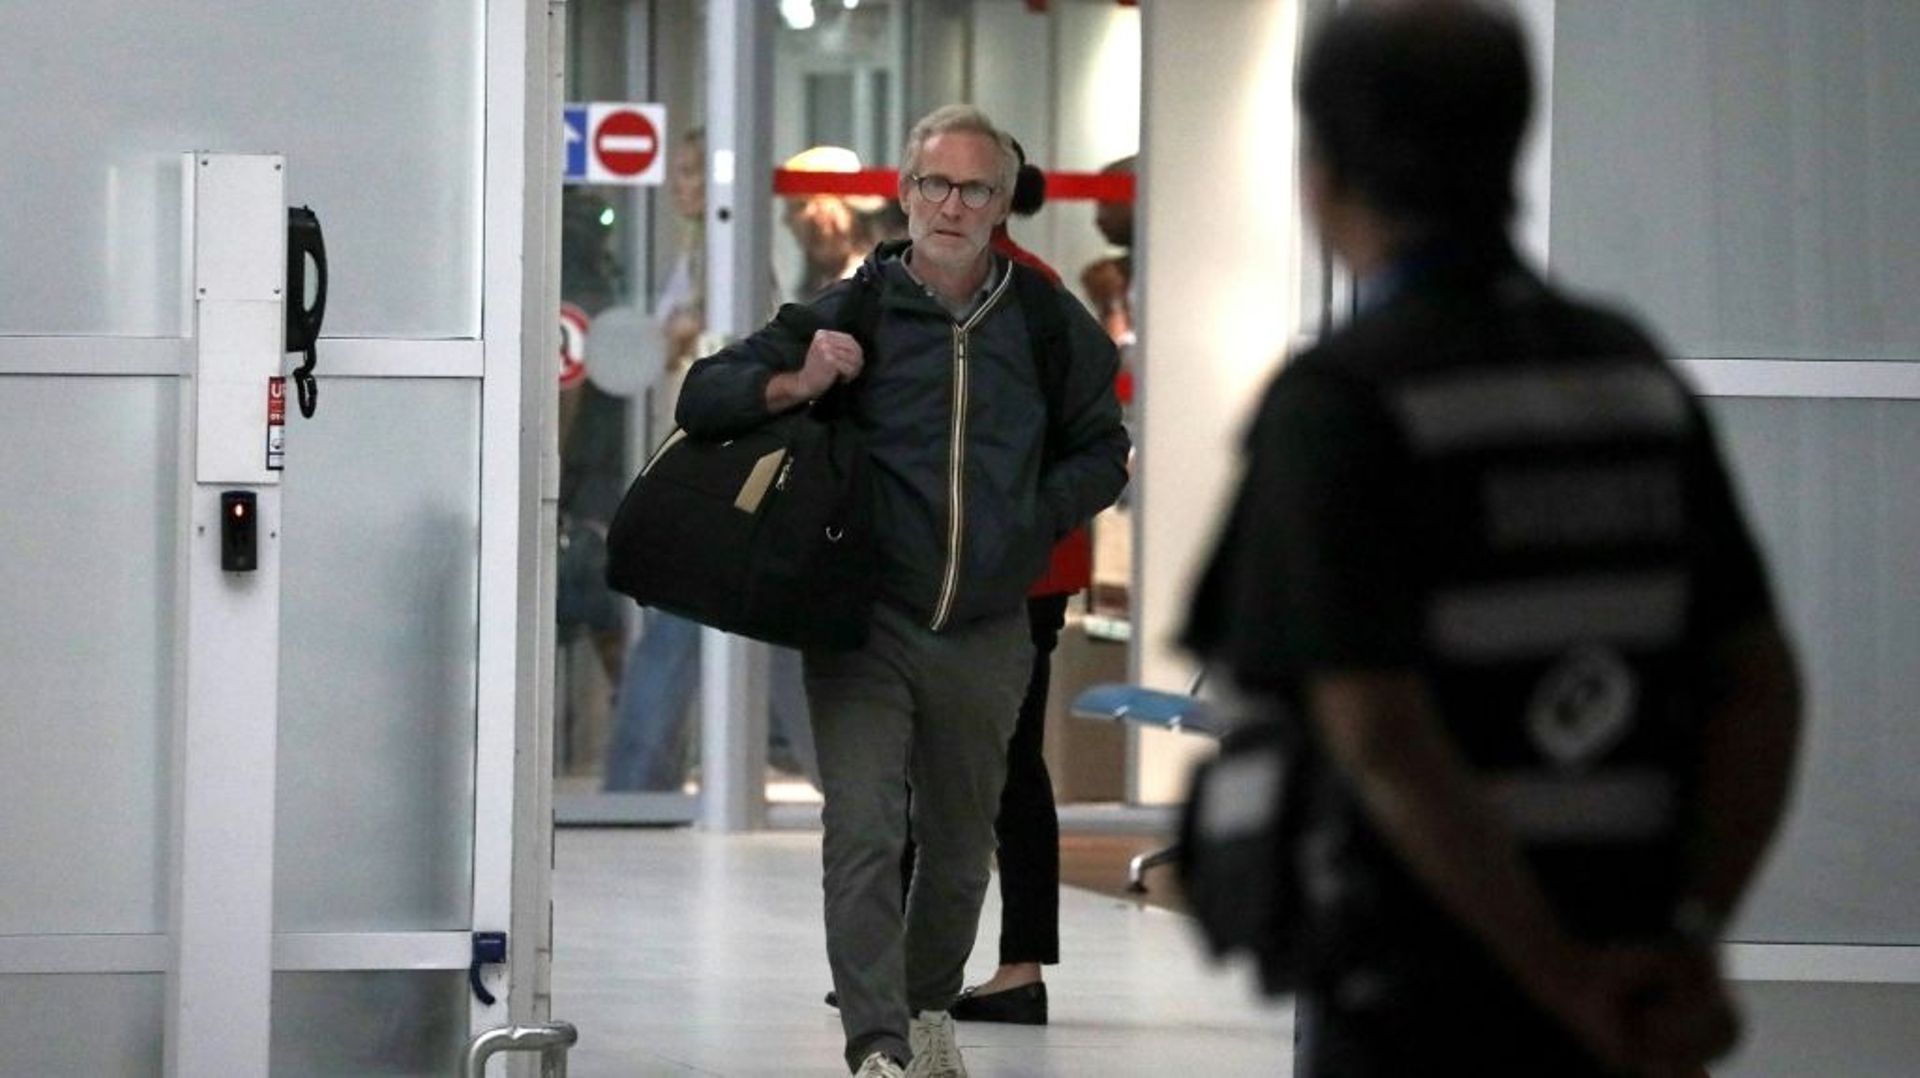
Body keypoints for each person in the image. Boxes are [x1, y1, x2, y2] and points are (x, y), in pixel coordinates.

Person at [1183, 3, 1802, 1076]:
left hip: (1417, 996)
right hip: (1632, 986)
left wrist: (1553, 971)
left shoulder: (1344, 401)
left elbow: (1377, 732)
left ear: (1321, 174)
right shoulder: (1628, 378)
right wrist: (1686, 937)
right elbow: (1761, 683)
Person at [677, 104, 1128, 1078]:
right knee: (868, 827)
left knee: (963, 846)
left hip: (988, 622)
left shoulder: (1046, 320)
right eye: (933, 184)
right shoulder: (858, 307)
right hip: (864, 618)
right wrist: (795, 382)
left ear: (1002, 202)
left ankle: (926, 1004)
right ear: (903, 192)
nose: (950, 205)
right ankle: (877, 1043)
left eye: (973, 188)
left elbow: (1105, 449)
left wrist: (1029, 517)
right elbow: (703, 396)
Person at [602, 127, 819, 791]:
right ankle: (845, 778)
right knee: (755, 637)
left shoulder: (734, 258)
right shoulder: (695, 256)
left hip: (721, 472)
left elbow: (743, 354)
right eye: (680, 171)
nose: (681, 185)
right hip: (701, 467)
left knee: (682, 628)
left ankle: (634, 787)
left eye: (695, 172)